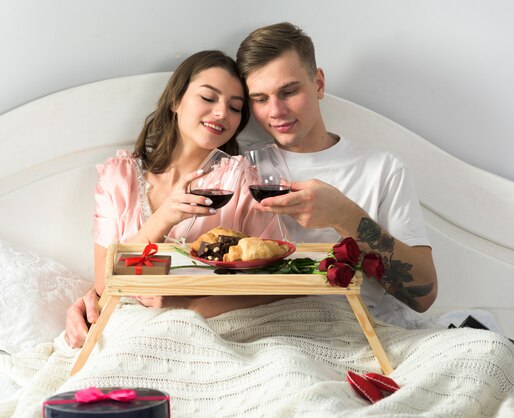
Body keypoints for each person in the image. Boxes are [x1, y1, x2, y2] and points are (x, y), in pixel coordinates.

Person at [65, 50, 286, 348]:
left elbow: (275, 284)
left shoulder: (241, 180)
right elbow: (108, 284)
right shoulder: (120, 178)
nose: (222, 112)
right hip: (131, 328)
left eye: (235, 108)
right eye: (208, 98)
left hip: (217, 330)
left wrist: (184, 304)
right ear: (176, 100)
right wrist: (163, 218)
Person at [236, 22, 438, 319]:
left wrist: (344, 216)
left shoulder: (382, 169)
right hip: (275, 330)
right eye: (260, 99)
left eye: (289, 91)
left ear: (318, 84)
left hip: (367, 329)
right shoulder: (241, 168)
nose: (275, 111)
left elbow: (424, 295)